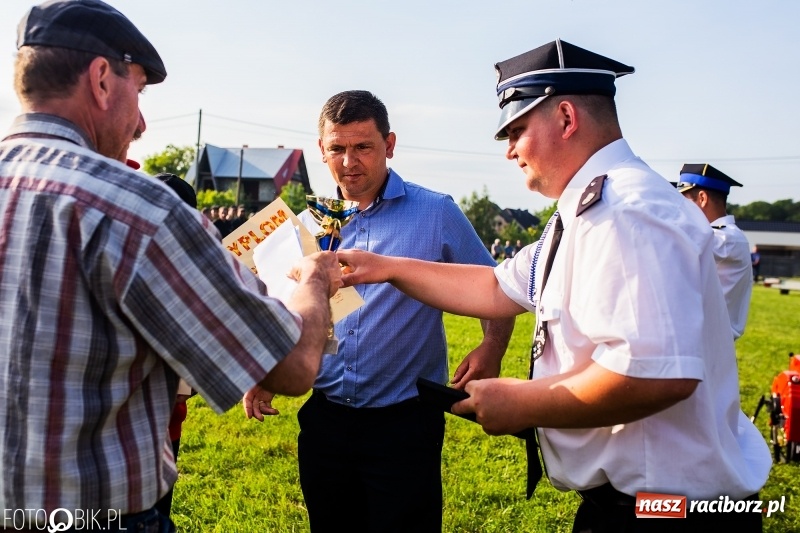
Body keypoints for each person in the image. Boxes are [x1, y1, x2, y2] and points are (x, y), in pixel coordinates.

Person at [336, 40, 771, 531]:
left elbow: (658, 375)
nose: (509, 152)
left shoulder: (628, 213)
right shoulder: (584, 210)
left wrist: (523, 402)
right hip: (636, 504)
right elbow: (497, 288)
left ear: (566, 118)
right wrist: (382, 266)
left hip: (669, 511)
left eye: (517, 131)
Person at [0, 1, 340, 531]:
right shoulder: (138, 211)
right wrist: (315, 279)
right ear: (101, 80)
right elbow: (292, 365)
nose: (141, 122)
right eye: (139, 90)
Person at [245, 90, 515, 533]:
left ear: (389, 145)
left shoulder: (436, 212)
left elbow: (497, 287)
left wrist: (492, 346)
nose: (349, 161)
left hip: (404, 424)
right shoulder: (308, 225)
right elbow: (285, 309)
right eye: (337, 148)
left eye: (362, 147)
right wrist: (267, 371)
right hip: (326, 419)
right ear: (321, 150)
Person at [676, 164, 752, 339]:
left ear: (702, 198)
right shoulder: (721, 236)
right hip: (705, 340)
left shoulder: (727, 238)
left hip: (709, 344)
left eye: (682, 202)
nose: (679, 209)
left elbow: (667, 242)